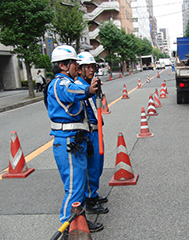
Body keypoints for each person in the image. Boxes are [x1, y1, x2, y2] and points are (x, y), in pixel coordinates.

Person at [44, 45, 103, 238]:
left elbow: (76, 87)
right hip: (68, 141)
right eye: (74, 63)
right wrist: (88, 89)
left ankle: (79, 221)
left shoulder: (68, 81)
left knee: (79, 184)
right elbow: (72, 90)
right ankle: (67, 224)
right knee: (74, 187)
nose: (77, 66)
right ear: (62, 65)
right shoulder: (60, 84)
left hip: (75, 140)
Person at [76, 51, 109, 214]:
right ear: (80, 69)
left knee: (98, 164)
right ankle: (90, 199)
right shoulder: (80, 87)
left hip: (97, 130)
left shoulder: (92, 84)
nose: (91, 70)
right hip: (88, 133)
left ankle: (93, 193)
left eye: (92, 67)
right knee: (92, 166)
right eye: (87, 67)